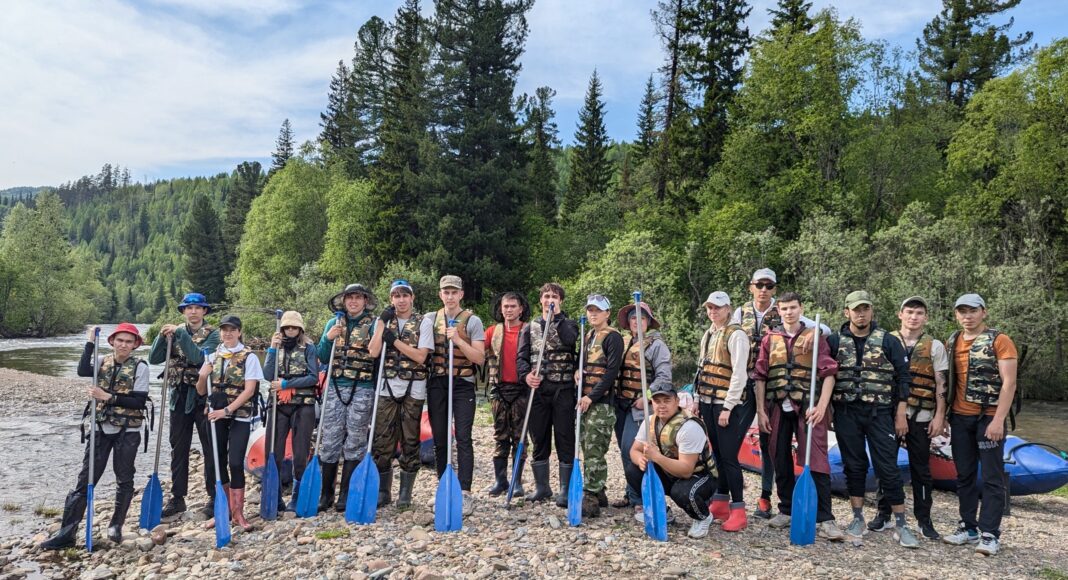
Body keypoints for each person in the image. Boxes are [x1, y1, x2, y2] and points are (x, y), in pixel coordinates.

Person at [41, 324, 149, 549]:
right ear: (112, 341)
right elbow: (82, 370)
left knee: (124, 477)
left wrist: (106, 396)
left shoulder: (140, 366)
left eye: (129, 342)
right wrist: (90, 342)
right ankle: (67, 532)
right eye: (120, 340)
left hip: (127, 431)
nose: (124, 345)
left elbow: (138, 401)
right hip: (100, 427)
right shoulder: (102, 360)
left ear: (135, 345)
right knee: (85, 480)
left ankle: (116, 525)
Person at [731, 268, 827, 519]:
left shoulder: (788, 310)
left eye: (769, 285)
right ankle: (739, 497)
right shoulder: (740, 313)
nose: (764, 289)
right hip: (749, 385)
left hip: (780, 388)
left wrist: (814, 331)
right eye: (759, 284)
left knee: (771, 442)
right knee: (748, 441)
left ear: (774, 288)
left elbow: (823, 329)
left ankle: (766, 497)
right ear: (751, 286)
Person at [827, 290, 920, 548]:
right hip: (847, 413)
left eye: (865, 308)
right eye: (856, 309)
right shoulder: (834, 341)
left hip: (880, 414)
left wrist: (901, 413)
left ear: (871, 311)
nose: (861, 313)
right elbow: (825, 377)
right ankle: (857, 518)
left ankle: (901, 523)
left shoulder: (888, 341)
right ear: (847, 312)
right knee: (854, 466)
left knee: (888, 469)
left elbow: (903, 378)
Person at [752, 292, 844, 541]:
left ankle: (825, 518)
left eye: (793, 307)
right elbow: (760, 376)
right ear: (778, 311)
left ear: (801, 308)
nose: (789, 312)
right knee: (778, 456)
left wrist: (822, 406)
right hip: (776, 406)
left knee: (816, 459)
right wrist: (761, 411)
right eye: (784, 308)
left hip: (808, 407)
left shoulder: (816, 338)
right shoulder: (770, 339)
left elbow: (829, 374)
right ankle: (787, 509)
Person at [942, 294, 1018, 556]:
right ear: (956, 315)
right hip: (960, 417)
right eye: (962, 311)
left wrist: (998, 420)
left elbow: (1010, 383)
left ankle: (990, 533)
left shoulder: (1000, 341)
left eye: (972, 311)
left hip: (988, 417)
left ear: (983, 312)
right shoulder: (952, 341)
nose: (967, 316)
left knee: (992, 477)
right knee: (963, 475)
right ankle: (968, 526)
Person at [868, 297, 948, 540]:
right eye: (910, 312)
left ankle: (924, 519)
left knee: (921, 468)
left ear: (926, 317)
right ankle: (883, 514)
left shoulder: (934, 346)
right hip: (887, 414)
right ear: (900, 314)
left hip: (921, 414)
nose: (914, 317)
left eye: (919, 313)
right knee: (885, 465)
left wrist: (939, 416)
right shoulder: (884, 340)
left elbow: (941, 383)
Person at [150, 292, 220, 519]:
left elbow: (199, 358)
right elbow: (154, 358)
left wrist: (179, 333)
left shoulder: (213, 334)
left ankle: (214, 496)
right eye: (188, 308)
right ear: (183, 311)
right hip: (178, 397)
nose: (193, 311)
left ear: (204, 311)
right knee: (178, 448)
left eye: (197, 308)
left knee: (210, 447)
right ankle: (177, 497)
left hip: (203, 397)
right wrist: (162, 337)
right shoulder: (174, 332)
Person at [367, 280, 434, 509]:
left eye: (405, 295)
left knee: (410, 439)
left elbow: (420, 357)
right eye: (396, 296)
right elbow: (374, 351)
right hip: (387, 385)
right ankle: (383, 491)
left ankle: (405, 493)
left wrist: (393, 341)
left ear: (412, 298)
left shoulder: (423, 322)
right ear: (391, 299)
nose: (401, 300)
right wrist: (381, 325)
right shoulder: (383, 321)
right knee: (382, 439)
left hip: (413, 386)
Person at [196, 315, 263, 532]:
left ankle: (238, 513)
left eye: (232, 330)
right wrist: (202, 375)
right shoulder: (213, 357)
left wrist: (227, 410)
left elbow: (250, 390)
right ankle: (222, 511)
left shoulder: (249, 357)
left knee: (235, 462)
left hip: (239, 416)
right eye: (224, 330)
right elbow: (201, 390)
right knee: (217, 463)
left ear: (239, 332)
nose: (228, 333)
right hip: (215, 416)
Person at [625, 384, 718, 539]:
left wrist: (656, 457)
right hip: (670, 471)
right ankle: (662, 511)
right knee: (633, 470)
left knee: (681, 492)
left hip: (700, 476)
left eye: (666, 400)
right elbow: (634, 450)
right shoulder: (649, 421)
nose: (661, 405)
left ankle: (703, 516)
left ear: (676, 401)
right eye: (657, 401)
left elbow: (686, 470)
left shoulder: (689, 426)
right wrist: (640, 459)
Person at [427, 275, 486, 515]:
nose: (450, 296)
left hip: (462, 383)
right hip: (438, 383)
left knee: (463, 436)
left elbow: (479, 358)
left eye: (454, 292)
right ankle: (444, 485)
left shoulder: (473, 321)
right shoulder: (431, 319)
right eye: (445, 292)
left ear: (461, 294)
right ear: (440, 294)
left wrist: (459, 340)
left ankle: (464, 491)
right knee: (440, 438)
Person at [317, 283, 378, 513]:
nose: (353, 301)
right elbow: (322, 356)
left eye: (358, 298)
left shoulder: (372, 325)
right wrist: (328, 338)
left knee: (355, 440)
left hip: (362, 387)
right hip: (335, 387)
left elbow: (376, 354)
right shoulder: (333, 324)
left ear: (365, 301)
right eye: (349, 297)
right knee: (330, 439)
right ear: (343, 301)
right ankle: (326, 494)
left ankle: (346, 494)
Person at [517, 283, 579, 507]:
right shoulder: (529, 327)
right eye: (546, 296)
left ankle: (565, 488)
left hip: (562, 389)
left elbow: (570, 341)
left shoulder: (570, 324)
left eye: (554, 296)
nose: (549, 299)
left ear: (560, 300)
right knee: (539, 437)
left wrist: (557, 316)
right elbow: (522, 358)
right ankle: (542, 487)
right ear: (540, 300)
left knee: (564, 436)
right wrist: (526, 376)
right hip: (538, 390)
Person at [696, 291, 753, 532]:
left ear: (728, 309)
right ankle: (720, 501)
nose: (713, 312)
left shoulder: (736, 335)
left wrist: (728, 406)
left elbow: (740, 374)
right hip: (708, 401)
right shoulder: (709, 333)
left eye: (718, 308)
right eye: (710, 308)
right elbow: (702, 368)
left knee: (730, 458)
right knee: (717, 455)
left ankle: (738, 509)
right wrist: (698, 400)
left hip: (725, 404)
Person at [612, 300, 672, 513]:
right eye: (634, 318)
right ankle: (631, 493)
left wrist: (647, 397)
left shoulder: (656, 345)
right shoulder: (623, 341)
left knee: (633, 450)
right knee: (623, 450)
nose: (638, 322)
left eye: (642, 318)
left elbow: (664, 377)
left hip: (640, 407)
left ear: (649, 322)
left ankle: (640, 499)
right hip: (620, 404)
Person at [263, 310, 320, 512]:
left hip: (302, 405)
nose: (290, 331)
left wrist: (287, 383)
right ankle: (275, 496)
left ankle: (298, 495)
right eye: (287, 327)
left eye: (294, 328)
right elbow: (268, 374)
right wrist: (271, 349)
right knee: (273, 452)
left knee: (300, 452)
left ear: (300, 329)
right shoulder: (277, 347)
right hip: (278, 405)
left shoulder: (309, 348)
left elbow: (313, 377)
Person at [575, 294, 624, 517]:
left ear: (607, 313)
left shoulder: (613, 337)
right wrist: (578, 371)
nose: (593, 314)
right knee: (586, 445)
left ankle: (591, 495)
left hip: (601, 402)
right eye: (590, 310)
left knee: (595, 448)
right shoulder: (588, 335)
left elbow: (611, 373)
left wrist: (591, 397)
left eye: (598, 310)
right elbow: (583, 364)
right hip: (586, 400)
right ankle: (599, 490)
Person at [483, 292, 532, 497]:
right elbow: (479, 354)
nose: (509, 310)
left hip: (522, 390)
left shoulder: (529, 330)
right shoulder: (492, 331)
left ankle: (517, 481)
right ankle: (500, 480)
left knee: (520, 437)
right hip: (499, 389)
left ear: (521, 308)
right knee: (500, 435)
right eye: (506, 306)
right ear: (500, 308)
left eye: (513, 306)